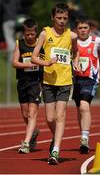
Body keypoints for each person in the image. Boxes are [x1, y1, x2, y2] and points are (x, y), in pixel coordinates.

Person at [32, 3, 79, 164]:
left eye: (65, 18)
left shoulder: (72, 35)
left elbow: (76, 51)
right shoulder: (45, 33)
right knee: (50, 118)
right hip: (48, 81)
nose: (62, 21)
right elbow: (34, 57)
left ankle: (55, 151)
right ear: (53, 17)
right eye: (59, 18)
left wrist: (76, 62)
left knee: (60, 116)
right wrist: (45, 63)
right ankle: (55, 137)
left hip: (65, 81)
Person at [12, 18, 57, 154]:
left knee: (32, 114)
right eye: (27, 34)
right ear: (24, 33)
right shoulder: (19, 44)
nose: (30, 37)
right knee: (25, 114)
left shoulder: (40, 45)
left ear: (36, 33)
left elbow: (47, 60)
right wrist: (30, 64)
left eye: (32, 34)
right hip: (22, 82)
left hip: (36, 83)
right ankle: (34, 131)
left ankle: (26, 142)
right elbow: (14, 63)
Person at [72, 18, 100, 154]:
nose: (82, 30)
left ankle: (85, 138)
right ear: (76, 30)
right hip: (76, 79)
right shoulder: (72, 41)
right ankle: (83, 135)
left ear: (90, 28)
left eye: (85, 28)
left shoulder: (96, 41)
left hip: (90, 79)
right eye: (80, 28)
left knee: (84, 106)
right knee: (78, 109)